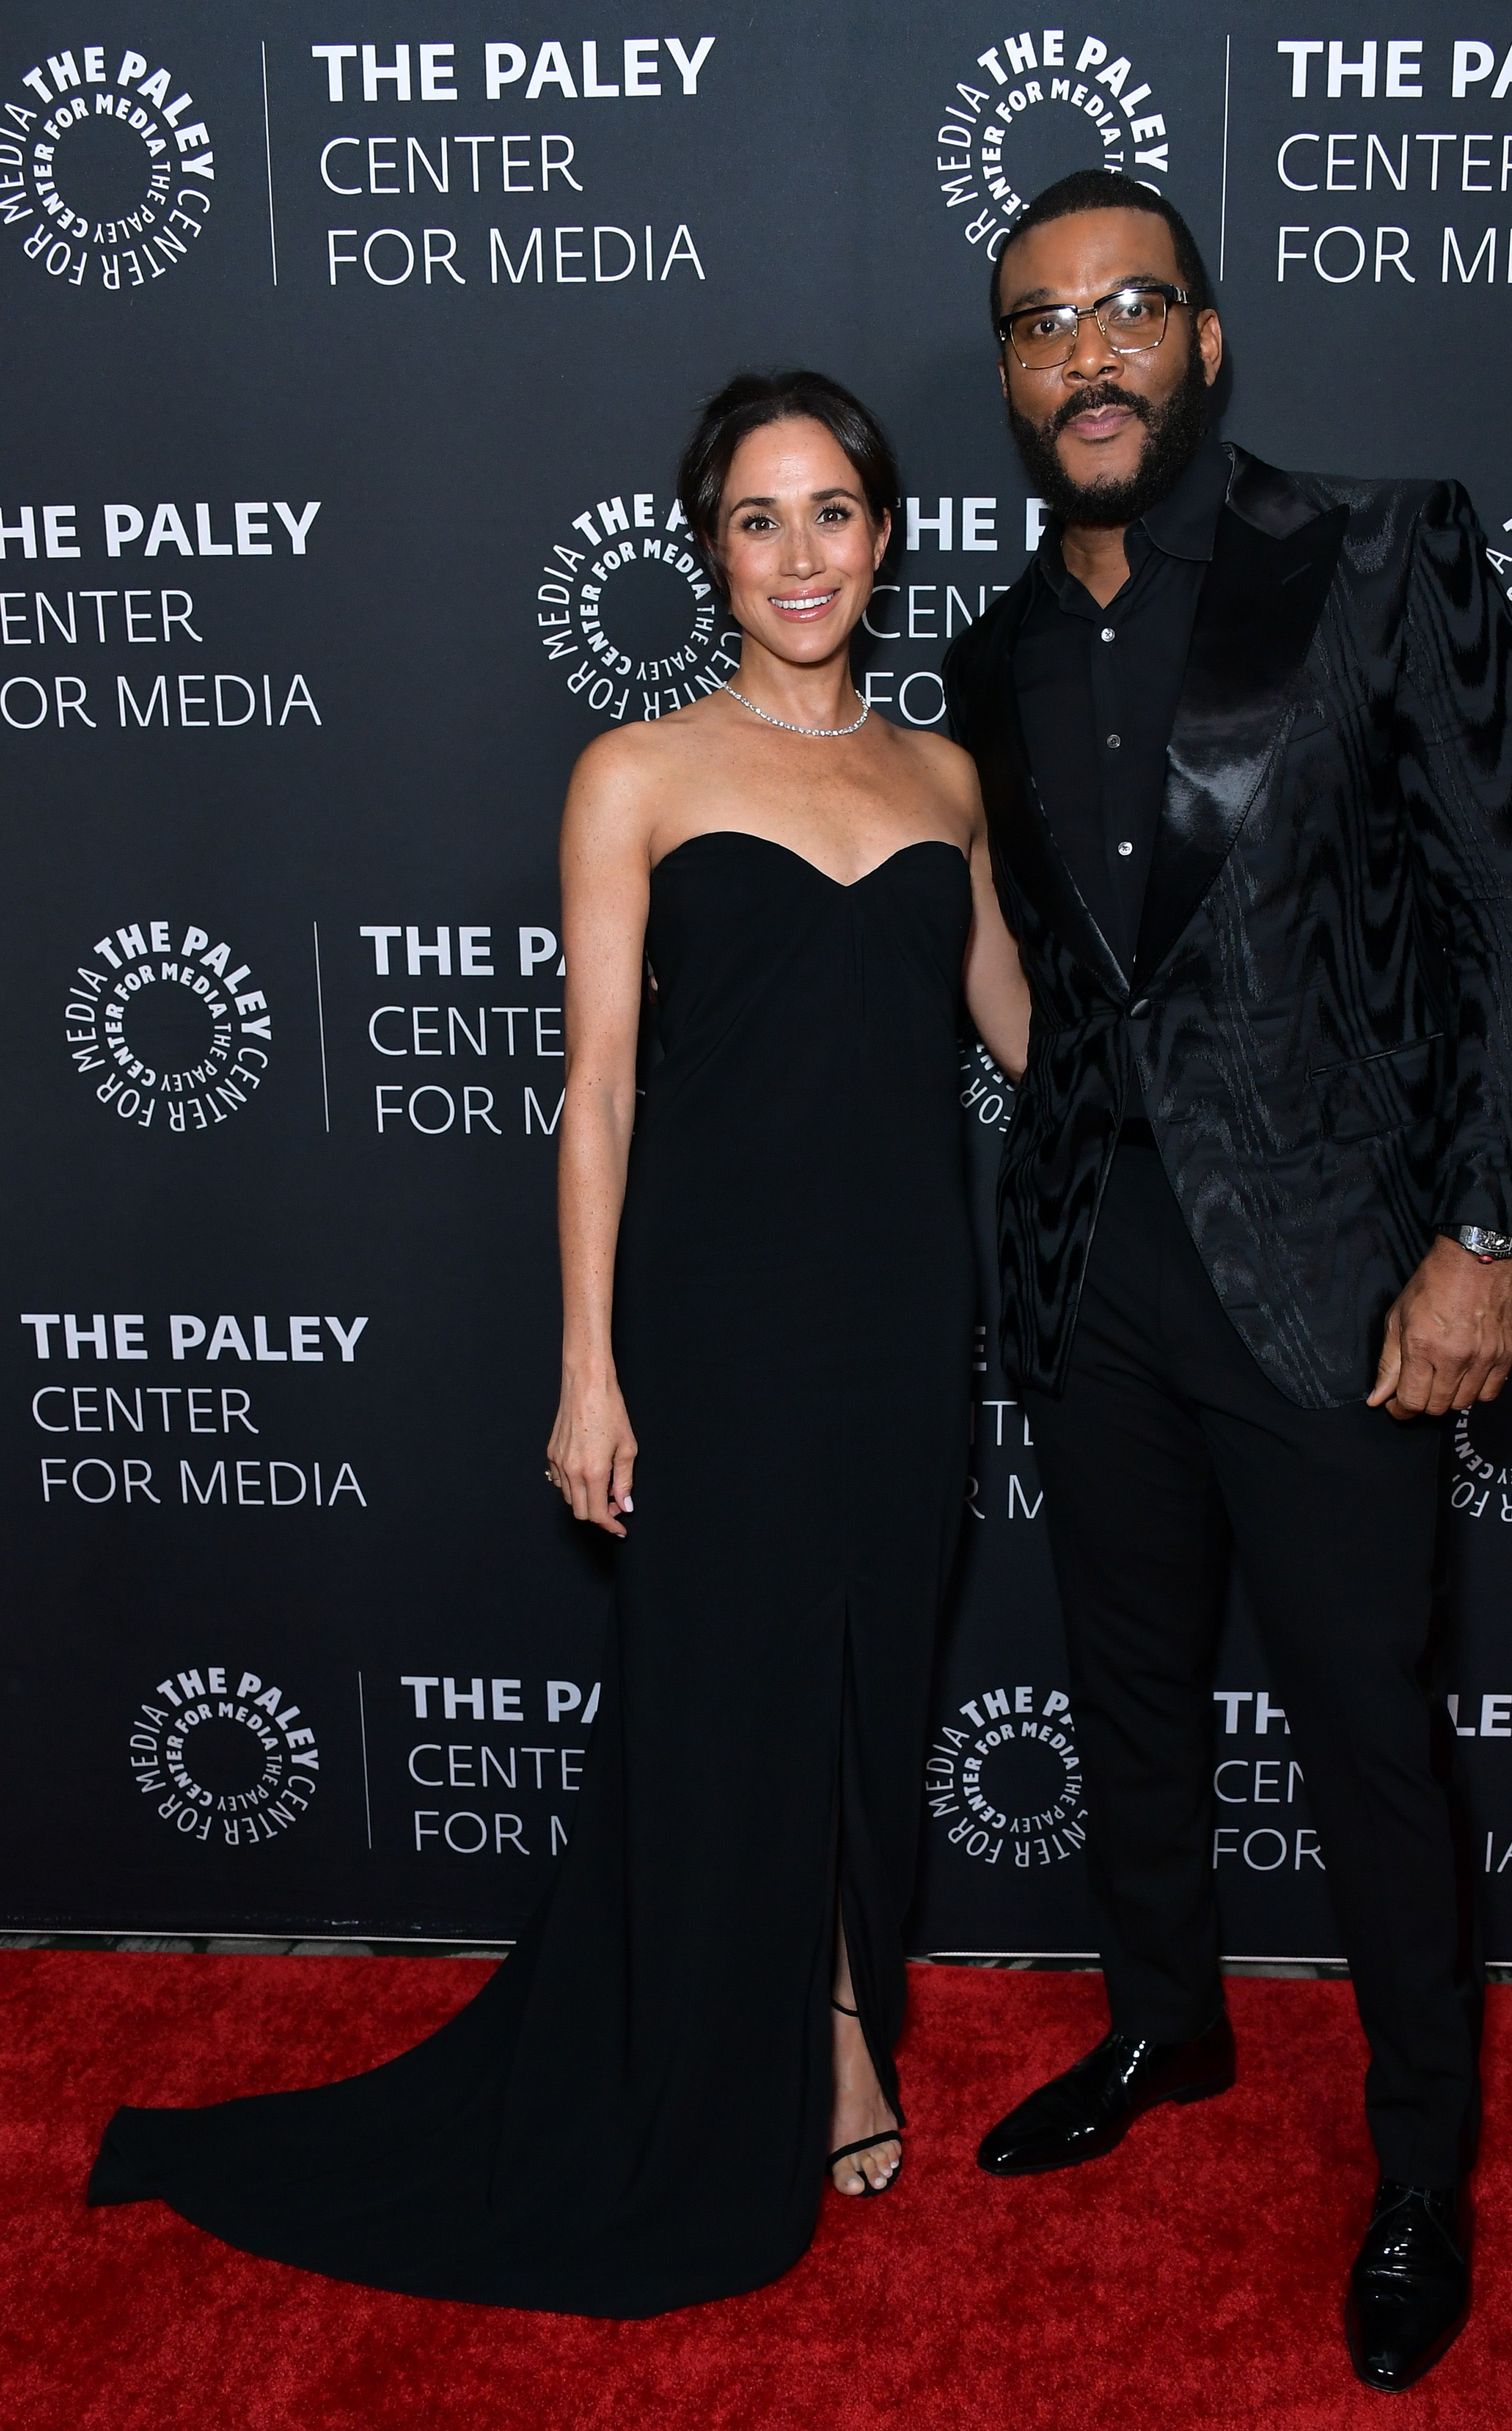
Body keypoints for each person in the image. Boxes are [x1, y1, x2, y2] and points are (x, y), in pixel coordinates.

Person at [89, 370, 1030, 2316]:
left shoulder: (946, 777)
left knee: (873, 1676)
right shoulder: (640, 770)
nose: (799, 554)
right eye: (758, 518)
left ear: (885, 532)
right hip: (717, 1310)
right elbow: (596, 1097)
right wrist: (591, 1367)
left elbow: (1030, 1035)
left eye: (833, 512)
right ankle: (774, 2045)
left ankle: (847, 2001)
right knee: (731, 1686)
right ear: (709, 545)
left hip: (913, 1302)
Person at [941, 170, 1512, 2393]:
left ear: (1206, 344)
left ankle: (1419, 2166)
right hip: (1096, 1272)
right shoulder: (991, 653)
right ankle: (1166, 2025)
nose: (1086, 353)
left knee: (1375, 1739)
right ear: (1010, 377)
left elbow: (1506, 928)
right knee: (1124, 1698)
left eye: (1130, 311)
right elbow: (1050, 980)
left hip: (1334, 1272)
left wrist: (1478, 1237)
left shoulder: (1386, 549)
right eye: (1041, 326)